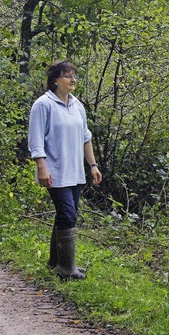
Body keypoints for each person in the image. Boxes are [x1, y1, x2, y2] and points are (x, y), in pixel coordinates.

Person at [28, 60, 102, 280]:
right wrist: (42, 168)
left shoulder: (77, 105)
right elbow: (36, 140)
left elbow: (85, 137)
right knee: (68, 215)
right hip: (55, 172)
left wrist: (93, 165)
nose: (73, 79)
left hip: (75, 172)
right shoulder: (43, 104)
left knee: (66, 215)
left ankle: (55, 262)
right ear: (55, 80)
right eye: (68, 75)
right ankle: (67, 269)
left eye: (74, 75)